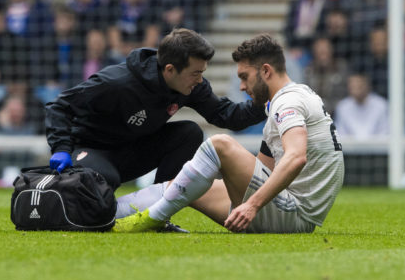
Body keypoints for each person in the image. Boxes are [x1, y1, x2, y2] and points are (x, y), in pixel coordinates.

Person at [112, 34, 344, 233]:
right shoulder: (291, 97)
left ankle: (154, 218)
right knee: (185, 183)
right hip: (286, 207)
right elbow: (262, 170)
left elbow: (297, 156)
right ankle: (103, 215)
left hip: (294, 214)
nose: (242, 87)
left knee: (220, 144)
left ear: (265, 71)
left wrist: (251, 205)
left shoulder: (288, 102)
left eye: (244, 77)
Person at [45, 28, 267, 191]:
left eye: (202, 72)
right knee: (105, 180)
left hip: (129, 152)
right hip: (88, 150)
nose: (200, 80)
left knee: (190, 133)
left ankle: (157, 210)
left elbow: (227, 115)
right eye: (195, 73)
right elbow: (60, 106)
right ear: (170, 70)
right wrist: (61, 148)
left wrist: (266, 102)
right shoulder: (117, 82)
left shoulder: (191, 86)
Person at [334, 73, 388, 138]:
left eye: (359, 86)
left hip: (378, 147)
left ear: (367, 86)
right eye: (353, 86)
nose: (356, 89)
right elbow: (341, 133)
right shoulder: (342, 107)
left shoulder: (381, 105)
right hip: (349, 147)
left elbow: (385, 132)